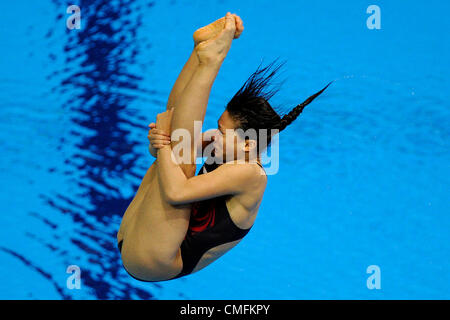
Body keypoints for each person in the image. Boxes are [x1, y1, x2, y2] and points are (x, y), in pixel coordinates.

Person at [117, 12, 331, 282]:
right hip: (139, 237)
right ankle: (199, 52)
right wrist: (158, 144)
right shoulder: (226, 149)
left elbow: (176, 191)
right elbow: (173, 141)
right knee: (177, 141)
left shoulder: (250, 175)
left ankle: (210, 61)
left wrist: (163, 149)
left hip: (155, 260)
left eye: (221, 131)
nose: (214, 135)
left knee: (179, 152)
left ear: (249, 144)